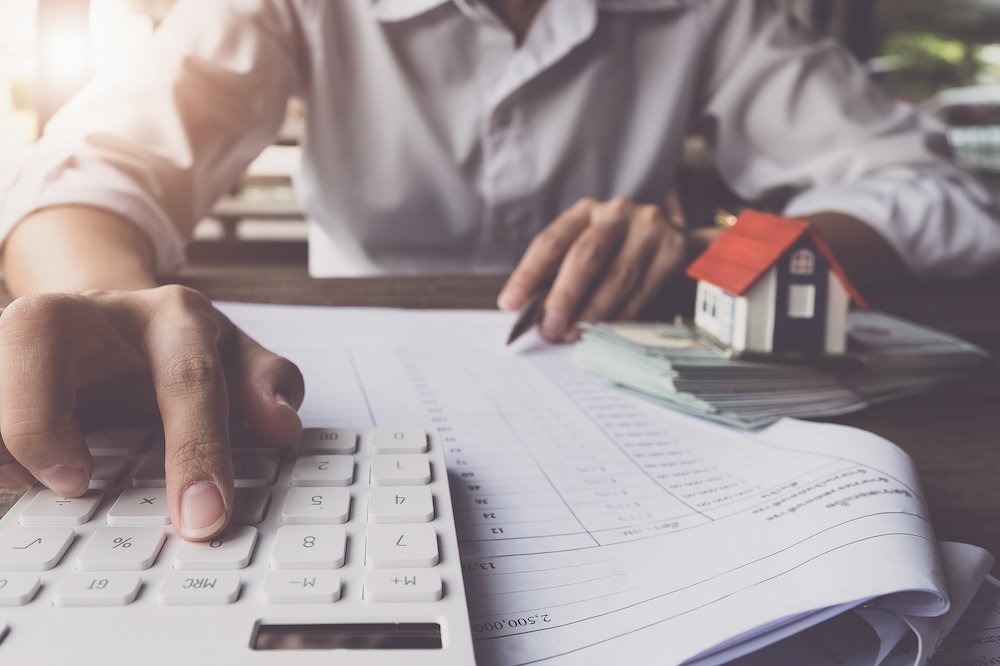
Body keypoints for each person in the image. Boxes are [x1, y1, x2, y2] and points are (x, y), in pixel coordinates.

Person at [0, 0, 997, 540]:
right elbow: (91, 169)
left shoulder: (717, 12)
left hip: (623, 412)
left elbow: (935, 196)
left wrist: (711, 253)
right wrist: (105, 308)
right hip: (341, 409)